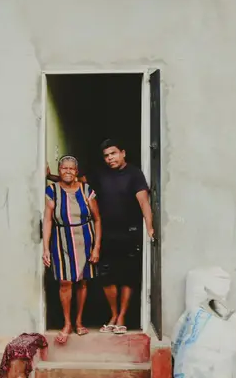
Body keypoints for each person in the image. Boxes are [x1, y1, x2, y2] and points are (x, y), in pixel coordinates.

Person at [96, 138, 154, 333]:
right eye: (106, 156)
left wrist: (150, 227)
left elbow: (144, 202)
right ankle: (113, 314)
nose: (110, 158)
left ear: (123, 153)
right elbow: (78, 181)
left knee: (127, 276)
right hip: (106, 233)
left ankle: (122, 317)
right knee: (107, 276)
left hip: (129, 232)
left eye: (113, 153)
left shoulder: (135, 174)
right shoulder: (101, 174)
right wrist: (51, 176)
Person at [42, 155, 101, 345]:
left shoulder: (86, 190)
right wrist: (45, 248)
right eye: (64, 168)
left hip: (85, 238)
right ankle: (67, 323)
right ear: (59, 172)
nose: (67, 172)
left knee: (82, 282)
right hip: (61, 240)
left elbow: (98, 220)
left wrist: (96, 247)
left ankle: (79, 321)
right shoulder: (52, 191)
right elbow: (48, 220)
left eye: (71, 169)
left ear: (77, 172)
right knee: (65, 282)